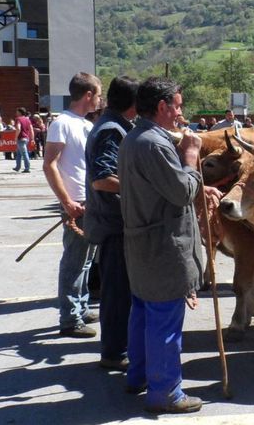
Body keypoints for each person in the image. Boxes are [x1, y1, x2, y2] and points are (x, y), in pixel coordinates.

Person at [119, 77, 220, 414]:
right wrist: (191, 156)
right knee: (164, 321)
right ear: (161, 107)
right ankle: (165, 392)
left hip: (142, 243)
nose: (181, 113)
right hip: (163, 247)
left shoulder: (137, 138)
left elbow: (162, 187)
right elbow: (179, 192)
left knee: (144, 314)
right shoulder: (154, 144)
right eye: (177, 105)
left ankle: (139, 375)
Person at [84, 76, 139, 372]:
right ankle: (115, 352)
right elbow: (103, 179)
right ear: (133, 103)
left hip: (111, 221)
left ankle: (117, 347)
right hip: (113, 224)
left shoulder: (112, 125)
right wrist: (142, 187)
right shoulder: (111, 130)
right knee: (117, 293)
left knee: (118, 291)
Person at [43, 72, 103, 338]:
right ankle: (69, 318)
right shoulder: (61, 124)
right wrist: (66, 201)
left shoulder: (85, 124)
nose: (100, 100)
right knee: (74, 261)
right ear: (88, 95)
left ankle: (81, 305)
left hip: (89, 202)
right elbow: (49, 164)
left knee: (87, 261)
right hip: (76, 203)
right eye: (98, 95)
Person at [13, 107, 34, 173]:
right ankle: (17, 167)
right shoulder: (27, 119)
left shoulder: (18, 119)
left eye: (17, 112)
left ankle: (27, 168)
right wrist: (32, 138)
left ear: (20, 112)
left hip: (21, 138)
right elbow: (31, 129)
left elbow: (18, 128)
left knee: (24, 153)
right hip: (26, 138)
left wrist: (16, 137)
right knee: (19, 153)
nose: (16, 113)